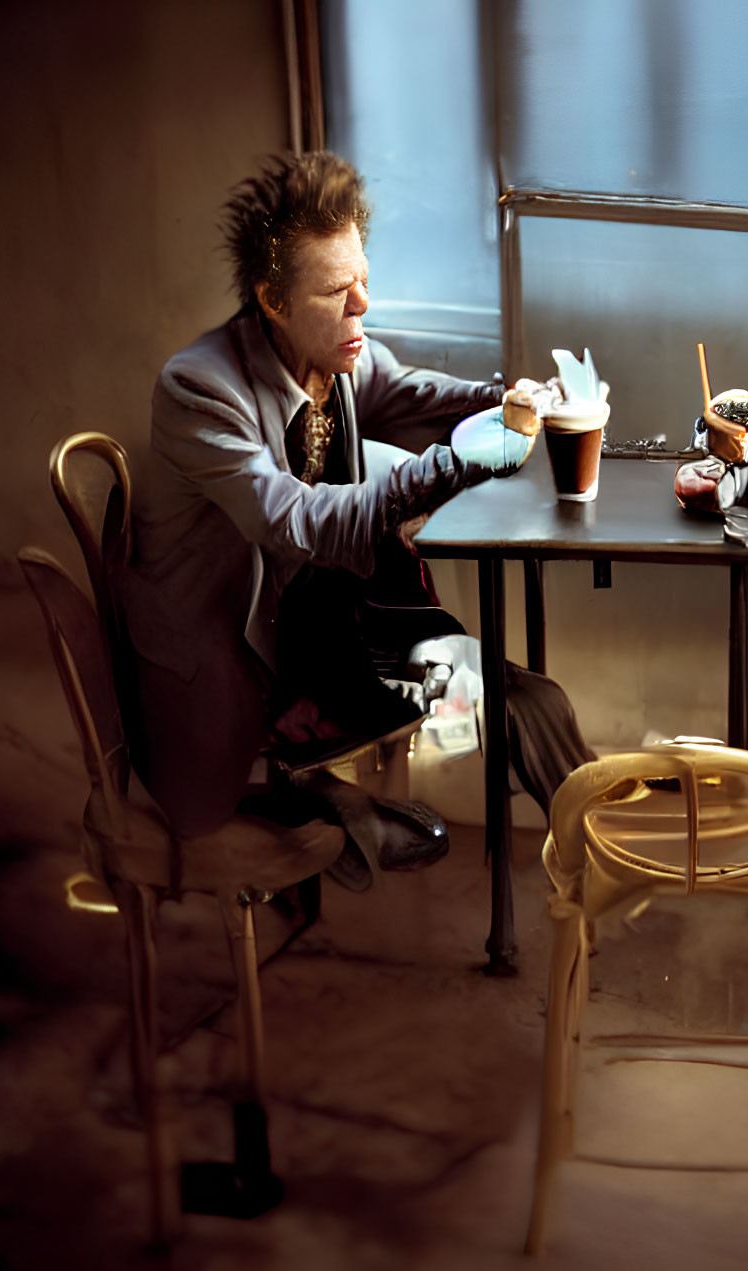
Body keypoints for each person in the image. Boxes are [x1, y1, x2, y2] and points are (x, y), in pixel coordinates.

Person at [119, 151, 591, 881]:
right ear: (271, 298)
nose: (362, 305)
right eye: (337, 290)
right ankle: (324, 800)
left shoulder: (332, 353)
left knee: (530, 699)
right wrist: (459, 459)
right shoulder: (198, 389)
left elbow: (408, 393)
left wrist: (504, 400)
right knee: (483, 687)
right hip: (219, 671)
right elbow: (299, 521)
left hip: (304, 624)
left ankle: (602, 831)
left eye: (364, 280)